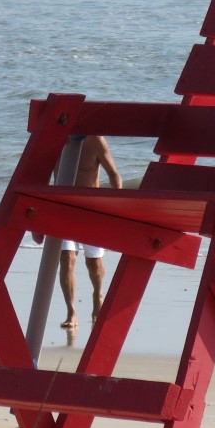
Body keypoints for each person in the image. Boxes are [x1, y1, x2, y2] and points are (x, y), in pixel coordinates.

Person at [56, 133, 123, 328]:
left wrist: (117, 207)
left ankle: (97, 295)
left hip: (91, 209)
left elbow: (113, 174)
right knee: (66, 258)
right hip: (63, 208)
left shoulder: (96, 141)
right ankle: (71, 312)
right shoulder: (57, 140)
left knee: (94, 263)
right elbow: (40, 173)